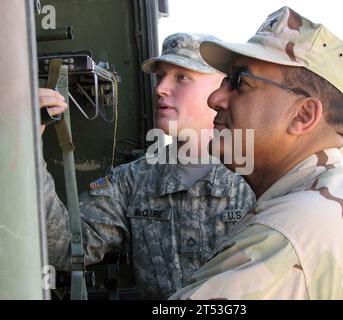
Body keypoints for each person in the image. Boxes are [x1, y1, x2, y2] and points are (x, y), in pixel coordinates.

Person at [170, 7, 343, 300]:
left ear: (302, 116)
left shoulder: (283, 234)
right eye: (224, 81)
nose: (215, 98)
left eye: (240, 82)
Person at [40, 33, 255, 299]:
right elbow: (65, 250)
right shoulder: (132, 180)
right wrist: (28, 148)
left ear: (220, 89)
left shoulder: (257, 178)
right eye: (160, 76)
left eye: (182, 77)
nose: (160, 88)